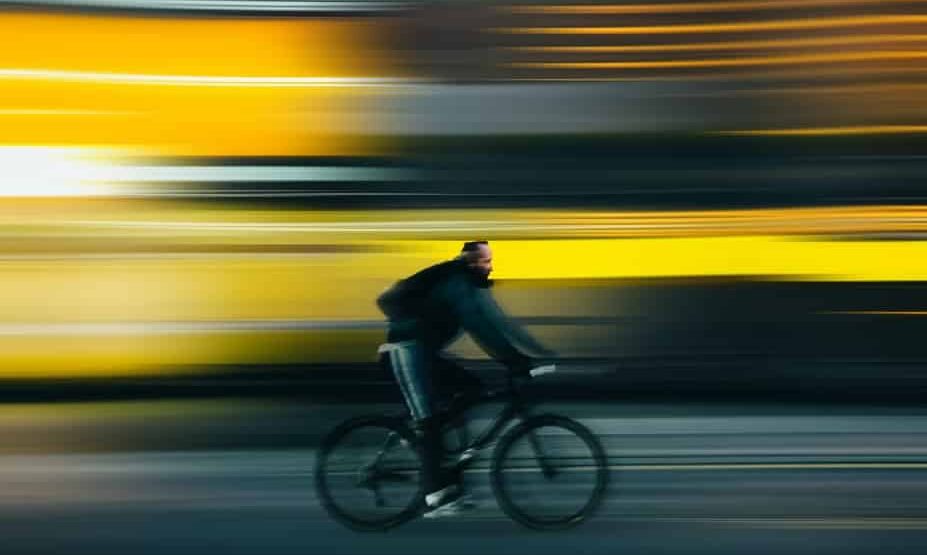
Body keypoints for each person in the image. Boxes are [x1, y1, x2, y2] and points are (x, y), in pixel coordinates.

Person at [376, 241, 551, 517]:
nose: (489, 266)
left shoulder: (473, 288)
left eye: (490, 261)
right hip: (405, 351)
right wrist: (515, 361)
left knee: (472, 388)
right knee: (430, 422)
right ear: (468, 261)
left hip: (423, 354)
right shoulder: (457, 284)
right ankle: (435, 496)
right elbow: (480, 327)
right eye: (484, 261)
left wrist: (539, 354)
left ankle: (431, 449)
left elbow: (501, 323)